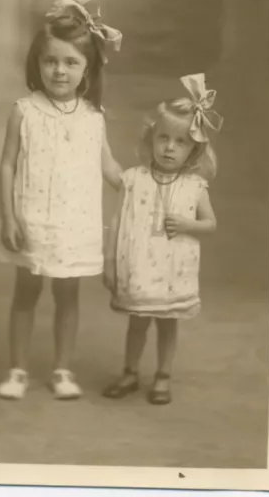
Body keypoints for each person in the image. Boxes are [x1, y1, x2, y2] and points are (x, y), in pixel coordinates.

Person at [0, 0, 122, 400]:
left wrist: (142, 181)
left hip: (75, 224)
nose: (59, 71)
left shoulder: (93, 118)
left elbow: (110, 168)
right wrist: (9, 218)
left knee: (68, 296)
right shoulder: (25, 111)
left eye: (71, 62)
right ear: (37, 63)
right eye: (51, 61)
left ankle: (63, 369)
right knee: (26, 293)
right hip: (32, 219)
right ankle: (17, 370)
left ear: (88, 69)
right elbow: (8, 165)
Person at [102, 74, 223, 405]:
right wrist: (97, 133)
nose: (170, 147)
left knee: (168, 324)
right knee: (137, 322)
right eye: (164, 138)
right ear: (151, 139)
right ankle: (130, 372)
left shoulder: (194, 186)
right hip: (140, 268)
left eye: (181, 142)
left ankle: (163, 376)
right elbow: (111, 179)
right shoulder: (136, 179)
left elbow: (210, 224)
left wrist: (187, 223)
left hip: (174, 270)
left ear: (194, 149)